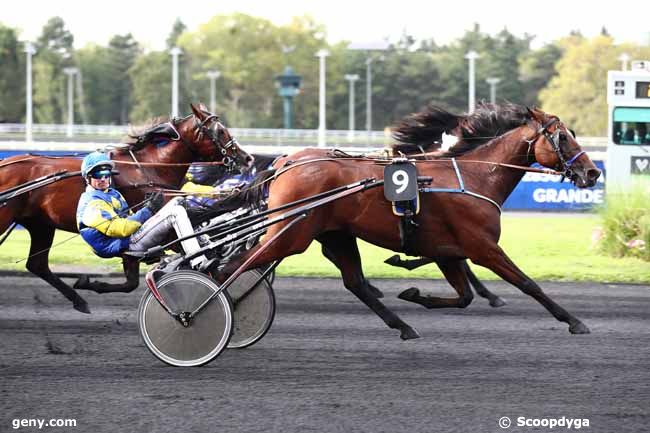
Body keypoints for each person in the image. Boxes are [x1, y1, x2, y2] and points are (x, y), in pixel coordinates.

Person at [76, 151, 206, 267]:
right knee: (175, 212)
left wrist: (147, 207)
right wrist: (148, 210)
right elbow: (119, 229)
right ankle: (197, 259)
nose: (103, 178)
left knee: (177, 201)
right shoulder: (91, 203)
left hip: (131, 237)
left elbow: (130, 218)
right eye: (98, 175)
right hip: (127, 245)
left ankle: (204, 243)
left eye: (106, 173)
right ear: (88, 178)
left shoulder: (111, 193)